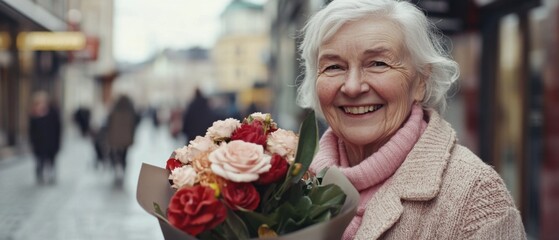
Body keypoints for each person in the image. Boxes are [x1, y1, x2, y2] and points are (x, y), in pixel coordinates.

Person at [296, 0, 526, 239]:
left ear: (420, 81)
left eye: (377, 63)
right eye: (334, 67)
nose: (352, 87)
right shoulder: (288, 182)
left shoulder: (477, 197)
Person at [28, 90, 62, 184]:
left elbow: (58, 128)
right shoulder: (34, 114)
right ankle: (40, 176)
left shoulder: (53, 112)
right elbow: (31, 130)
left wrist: (58, 142)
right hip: (39, 143)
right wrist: (32, 142)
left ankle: (51, 175)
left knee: (51, 159)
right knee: (40, 160)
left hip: (51, 142)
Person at [105, 95, 139, 184]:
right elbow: (135, 123)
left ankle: (117, 166)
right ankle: (123, 168)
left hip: (115, 138)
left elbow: (109, 123)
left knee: (116, 153)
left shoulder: (115, 110)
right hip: (126, 138)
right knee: (124, 154)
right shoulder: (130, 110)